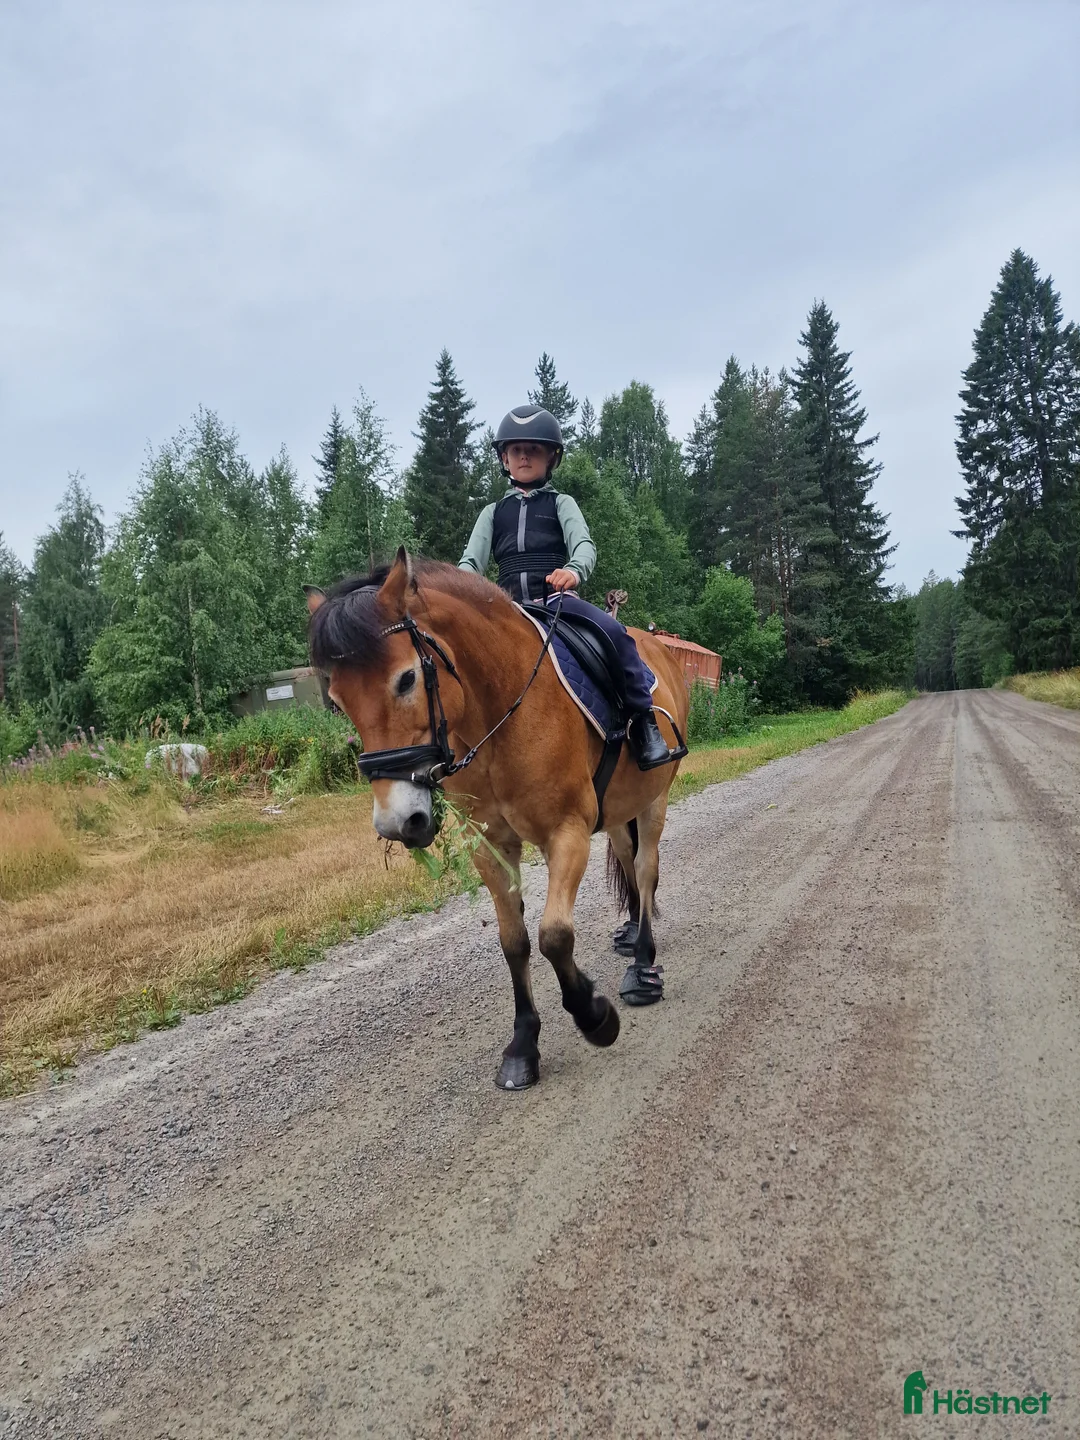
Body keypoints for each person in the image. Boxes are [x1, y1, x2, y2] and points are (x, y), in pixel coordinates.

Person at [458, 404, 672, 769]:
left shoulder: (561, 503)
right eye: (516, 450)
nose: (524, 455)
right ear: (505, 460)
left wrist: (573, 571)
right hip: (507, 609)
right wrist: (463, 590)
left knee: (614, 633)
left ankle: (643, 721)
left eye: (534, 449)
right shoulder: (492, 513)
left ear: (551, 458)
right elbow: (469, 564)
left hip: (556, 602)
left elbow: (584, 546)